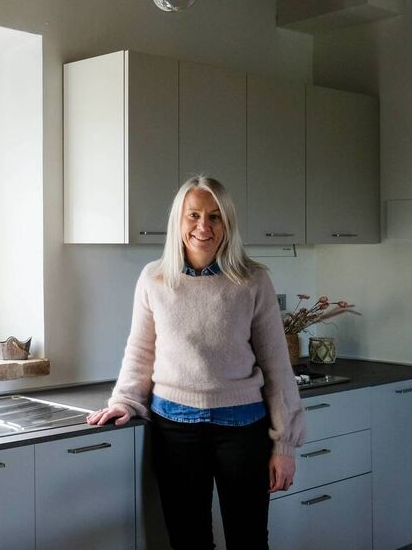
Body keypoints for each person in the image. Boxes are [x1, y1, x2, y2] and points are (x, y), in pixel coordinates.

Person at [86, 176, 304, 549]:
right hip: (175, 430)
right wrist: (124, 400)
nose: (204, 227)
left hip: (242, 429)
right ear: (179, 220)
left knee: (249, 540)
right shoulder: (154, 278)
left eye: (215, 216)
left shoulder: (253, 280)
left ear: (227, 223)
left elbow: (277, 366)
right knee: (188, 542)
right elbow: (141, 351)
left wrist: (284, 445)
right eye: (194, 215)